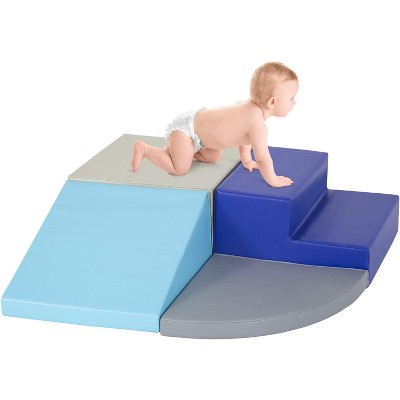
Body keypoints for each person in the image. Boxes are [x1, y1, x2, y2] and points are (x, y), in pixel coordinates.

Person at [131, 62, 298, 187]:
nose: (294, 102)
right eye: (291, 98)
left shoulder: (250, 111)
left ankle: (180, 151)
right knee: (180, 169)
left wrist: (246, 160)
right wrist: (273, 180)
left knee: (213, 157)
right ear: (272, 102)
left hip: (200, 134)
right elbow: (262, 158)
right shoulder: (258, 125)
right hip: (186, 131)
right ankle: (145, 149)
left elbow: (246, 139)